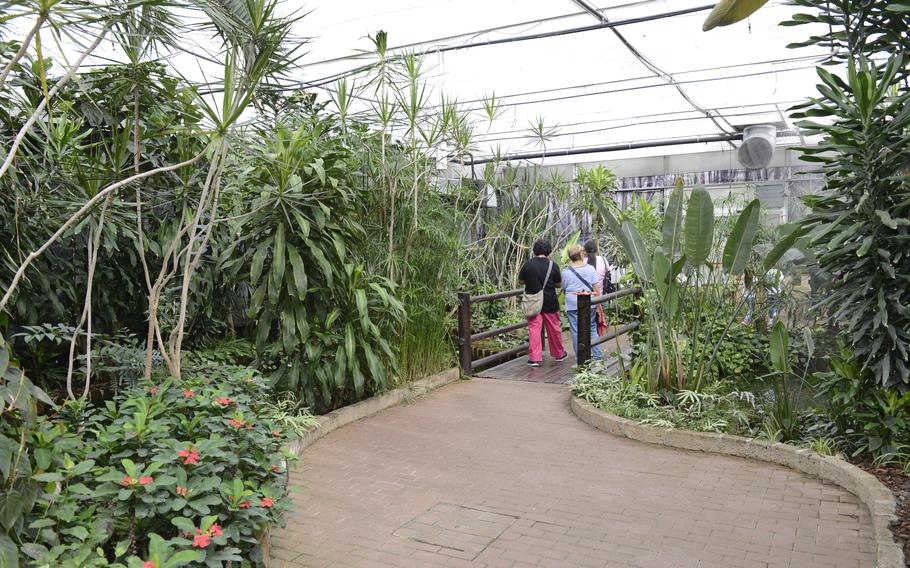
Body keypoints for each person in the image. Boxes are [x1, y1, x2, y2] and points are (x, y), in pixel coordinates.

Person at [518, 238, 567, 367]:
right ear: (548, 251)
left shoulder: (528, 264)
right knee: (554, 329)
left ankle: (534, 358)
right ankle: (559, 354)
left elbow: (521, 281)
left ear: (535, 250)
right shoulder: (552, 265)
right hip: (550, 301)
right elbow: (558, 284)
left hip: (533, 302)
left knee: (534, 329)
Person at [562, 244, 603, 361]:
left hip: (572, 303)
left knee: (575, 331)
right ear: (581, 254)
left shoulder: (566, 271)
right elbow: (596, 288)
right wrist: (599, 306)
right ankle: (597, 356)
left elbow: (564, 287)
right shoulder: (590, 269)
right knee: (591, 328)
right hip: (588, 303)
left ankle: (580, 357)